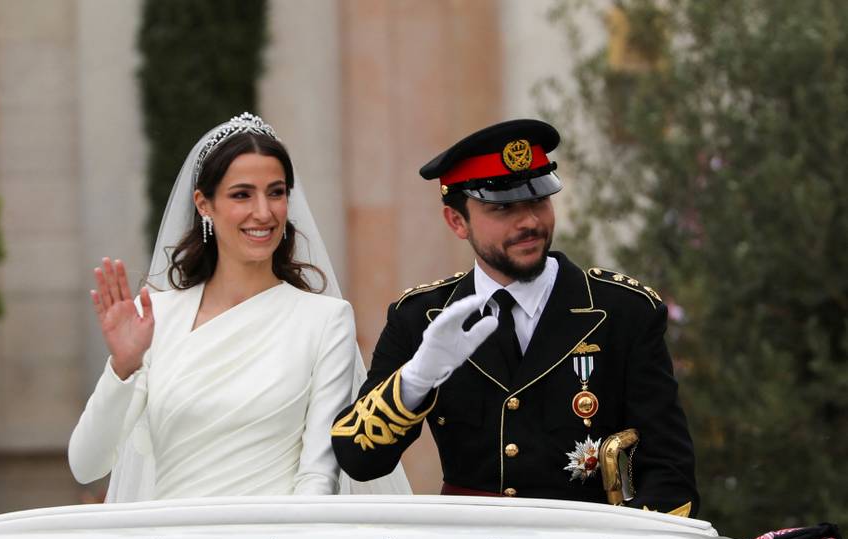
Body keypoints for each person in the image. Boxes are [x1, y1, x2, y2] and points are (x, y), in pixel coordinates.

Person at [331, 119, 698, 516]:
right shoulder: (421, 316)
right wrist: (416, 379)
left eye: (538, 200)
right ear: (457, 221)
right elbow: (359, 461)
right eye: (502, 208)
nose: (529, 223)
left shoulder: (623, 310)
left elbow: (669, 472)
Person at [69, 113, 408, 501]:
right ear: (204, 204)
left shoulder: (326, 320)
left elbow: (318, 475)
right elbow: (86, 465)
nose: (263, 212)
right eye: (242, 194)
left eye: (276, 192)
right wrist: (123, 368)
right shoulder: (157, 318)